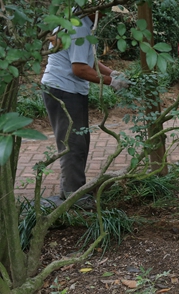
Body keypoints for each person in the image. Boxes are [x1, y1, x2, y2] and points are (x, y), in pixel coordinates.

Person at [41, 7, 129, 209]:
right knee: (74, 144)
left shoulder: (75, 20)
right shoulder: (79, 26)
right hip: (64, 90)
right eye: (105, 8)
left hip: (64, 89)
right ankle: (75, 197)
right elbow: (79, 68)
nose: (107, 13)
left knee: (76, 141)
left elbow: (87, 60)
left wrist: (113, 73)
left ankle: (71, 190)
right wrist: (111, 82)